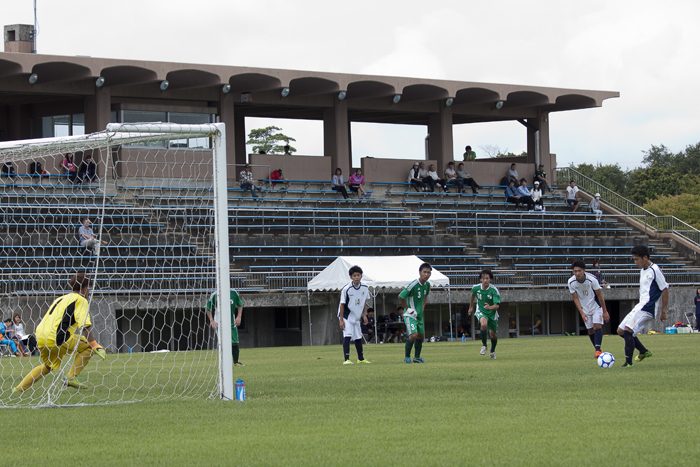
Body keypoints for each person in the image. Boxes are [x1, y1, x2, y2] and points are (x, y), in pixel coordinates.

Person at [14, 273, 107, 392]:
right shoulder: (81, 300)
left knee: (48, 366)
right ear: (84, 288)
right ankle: (70, 377)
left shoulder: (61, 298)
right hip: (58, 338)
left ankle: (18, 389)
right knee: (88, 347)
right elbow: (84, 325)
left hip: (41, 337)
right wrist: (95, 345)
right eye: (88, 288)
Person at [617, 245, 669, 367]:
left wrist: (663, 311)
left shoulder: (655, 270)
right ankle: (643, 351)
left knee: (628, 330)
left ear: (645, 257)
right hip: (640, 306)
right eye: (634, 259)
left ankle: (628, 363)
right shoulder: (643, 270)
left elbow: (665, 289)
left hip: (648, 308)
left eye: (637, 259)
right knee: (620, 331)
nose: (635, 262)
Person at [568, 260, 610, 359]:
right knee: (590, 330)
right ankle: (597, 349)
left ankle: (598, 350)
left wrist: (605, 311)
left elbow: (600, 296)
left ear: (584, 270)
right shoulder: (571, 282)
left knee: (597, 326)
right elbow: (575, 298)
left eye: (579, 271)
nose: (577, 273)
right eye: (575, 271)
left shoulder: (592, 279)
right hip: (585, 308)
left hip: (596, 306)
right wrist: (582, 312)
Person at [398, 262, 432, 363]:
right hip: (410, 315)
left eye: (428, 272)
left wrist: (422, 308)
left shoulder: (427, 285)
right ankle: (406, 357)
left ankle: (417, 357)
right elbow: (400, 296)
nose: (426, 274)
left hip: (419, 315)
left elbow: (425, 298)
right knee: (413, 335)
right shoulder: (413, 284)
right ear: (420, 272)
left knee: (420, 336)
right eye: (424, 272)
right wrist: (407, 309)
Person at [337, 265, 371, 364]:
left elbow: (364, 301)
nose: (356, 277)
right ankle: (346, 359)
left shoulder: (365, 287)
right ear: (351, 277)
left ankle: (361, 359)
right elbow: (342, 304)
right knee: (347, 335)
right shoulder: (346, 289)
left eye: (358, 275)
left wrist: (364, 315)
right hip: (347, 315)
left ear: (361, 276)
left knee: (358, 336)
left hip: (356, 316)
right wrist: (341, 320)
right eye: (354, 275)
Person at [205, 287, 245, 366]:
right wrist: (212, 321)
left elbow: (240, 304)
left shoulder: (233, 293)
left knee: (235, 342)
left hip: (232, 323)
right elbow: (208, 309)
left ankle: (236, 362)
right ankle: (223, 363)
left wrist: (239, 316)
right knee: (222, 343)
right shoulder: (215, 295)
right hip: (219, 324)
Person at [468, 268, 501, 359]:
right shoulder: (476, 288)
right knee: (483, 324)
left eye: (487, 278)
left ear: (490, 279)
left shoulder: (494, 290)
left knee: (493, 335)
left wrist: (490, 307)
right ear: (480, 279)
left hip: (492, 313)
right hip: (481, 310)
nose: (485, 280)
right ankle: (484, 345)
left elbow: (497, 306)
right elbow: (472, 295)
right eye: (483, 278)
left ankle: (492, 351)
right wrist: (470, 307)